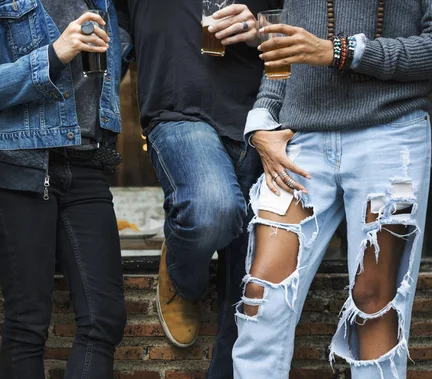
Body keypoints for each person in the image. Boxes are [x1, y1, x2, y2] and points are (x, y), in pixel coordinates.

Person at [232, 1, 432, 378]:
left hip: (391, 136)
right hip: (300, 140)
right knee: (261, 294)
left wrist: (342, 52)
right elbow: (282, 45)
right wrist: (262, 119)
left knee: (375, 301)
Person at [0, 0, 130, 378]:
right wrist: (54, 55)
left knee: (104, 319)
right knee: (28, 324)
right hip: (15, 166)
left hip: (86, 163)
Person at [118, 1, 279, 377]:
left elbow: (301, 26)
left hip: (262, 117)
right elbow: (114, 32)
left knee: (248, 297)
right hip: (178, 111)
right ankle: (182, 273)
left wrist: (261, 29)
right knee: (212, 210)